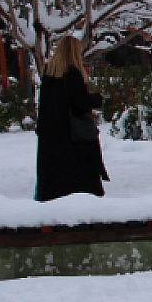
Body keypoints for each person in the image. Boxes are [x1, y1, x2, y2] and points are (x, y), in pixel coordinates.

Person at [35, 36, 109, 201]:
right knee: (80, 177)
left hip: (50, 136)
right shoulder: (73, 73)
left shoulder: (49, 72)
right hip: (72, 135)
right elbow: (79, 103)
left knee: (55, 179)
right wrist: (96, 99)